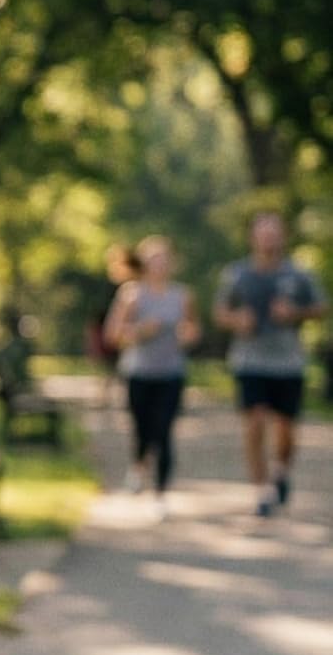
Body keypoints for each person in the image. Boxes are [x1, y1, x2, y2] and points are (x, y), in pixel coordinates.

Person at [212, 211, 328, 516]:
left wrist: (294, 313)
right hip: (249, 360)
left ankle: (281, 472)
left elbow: (320, 308)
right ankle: (261, 488)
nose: (268, 238)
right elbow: (220, 312)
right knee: (255, 420)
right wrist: (238, 319)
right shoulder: (237, 274)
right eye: (263, 232)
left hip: (288, 362)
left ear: (282, 236)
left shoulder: (299, 274)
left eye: (274, 232)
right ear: (253, 236)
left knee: (286, 429)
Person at [103, 235, 199, 500]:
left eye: (164, 259)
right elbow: (112, 335)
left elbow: (193, 329)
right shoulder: (131, 294)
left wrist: (188, 335)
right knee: (142, 428)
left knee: (164, 430)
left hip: (171, 372)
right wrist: (141, 331)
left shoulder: (182, 295)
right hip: (139, 372)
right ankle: (138, 466)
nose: (159, 265)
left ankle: (161, 490)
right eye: (153, 260)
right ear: (144, 264)